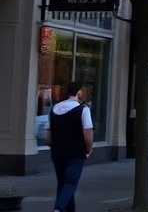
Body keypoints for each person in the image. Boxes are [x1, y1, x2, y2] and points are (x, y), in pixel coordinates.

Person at [44, 81, 93, 212]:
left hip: (58, 153)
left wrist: (52, 146)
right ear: (79, 93)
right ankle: (58, 208)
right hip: (76, 153)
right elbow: (88, 133)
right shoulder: (83, 109)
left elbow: (47, 136)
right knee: (71, 183)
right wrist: (89, 149)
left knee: (63, 183)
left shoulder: (54, 109)